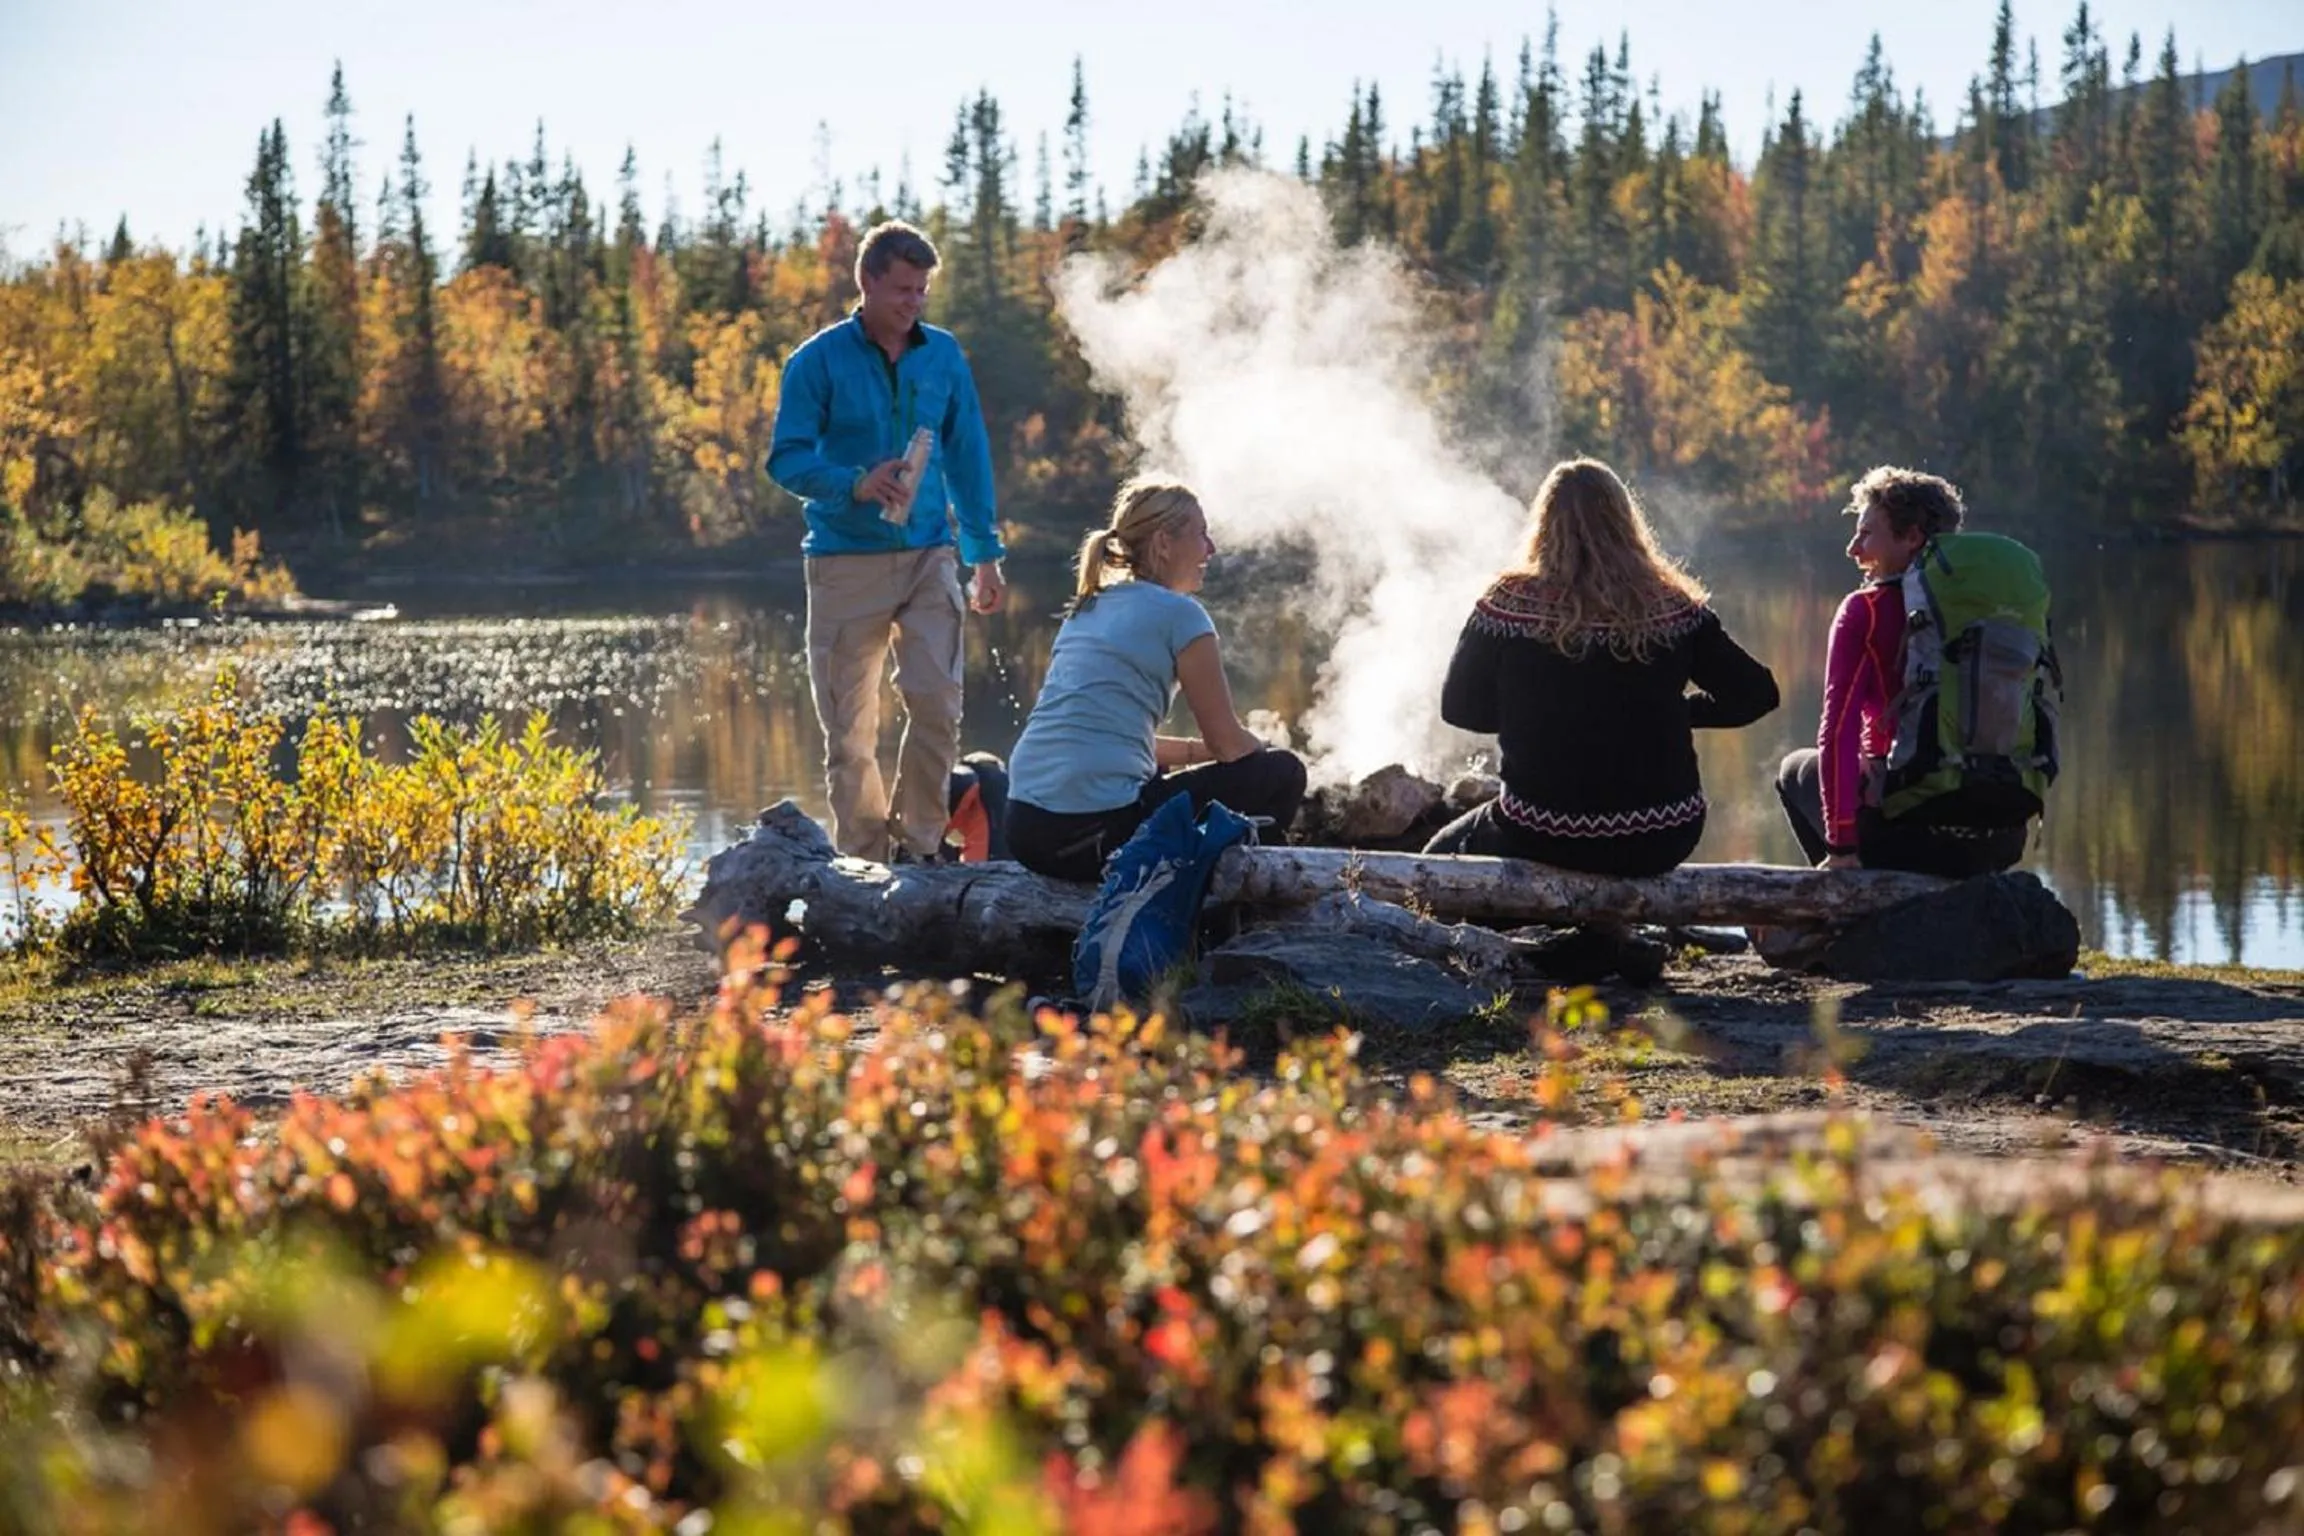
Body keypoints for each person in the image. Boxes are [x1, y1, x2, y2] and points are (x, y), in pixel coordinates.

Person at [766, 220, 1006, 864]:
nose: (913, 302)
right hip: (845, 562)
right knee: (850, 732)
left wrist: (983, 554)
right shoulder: (815, 362)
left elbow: (968, 456)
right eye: (902, 289)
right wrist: (854, 483)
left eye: (922, 290)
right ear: (866, 283)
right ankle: (868, 862)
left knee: (937, 702)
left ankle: (922, 847)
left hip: (931, 553)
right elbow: (784, 461)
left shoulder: (944, 356)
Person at [1423, 458, 1779, 876]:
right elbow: (1757, 695)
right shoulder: (1670, 605)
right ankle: (1601, 937)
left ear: (1544, 522)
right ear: (1625, 520)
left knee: (1434, 859)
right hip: (1662, 833)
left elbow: (1459, 708)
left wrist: (1536, 715)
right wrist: (1675, 712)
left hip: (1540, 833)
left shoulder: (1508, 603)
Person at [1006, 479, 1308, 885]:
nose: (1211, 548)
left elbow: (1102, 736)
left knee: (1153, 778)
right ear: (1164, 543)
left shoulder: (1089, 606)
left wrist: (1196, 753)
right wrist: (1262, 750)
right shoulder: (1181, 615)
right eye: (1201, 534)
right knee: (1283, 773)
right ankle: (1226, 908)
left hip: (1024, 828)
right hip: (1094, 835)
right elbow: (1228, 745)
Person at [1775, 466, 2035, 878]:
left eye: (1866, 534)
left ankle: (1846, 909)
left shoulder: (1866, 610)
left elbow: (1837, 731)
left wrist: (1841, 843)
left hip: (1915, 836)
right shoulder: (1992, 607)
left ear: (1912, 537)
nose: (1852, 550)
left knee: (1794, 769)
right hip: (2002, 833)